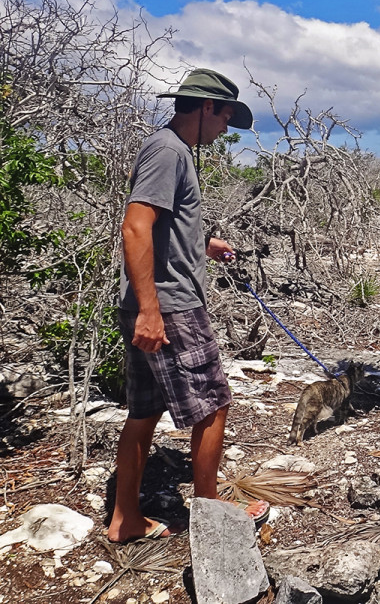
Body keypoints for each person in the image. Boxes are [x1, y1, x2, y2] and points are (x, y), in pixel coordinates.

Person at [106, 68, 267, 543]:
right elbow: (135, 228)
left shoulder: (173, 151)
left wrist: (202, 244)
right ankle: (211, 516)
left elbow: (162, 231)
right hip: (168, 307)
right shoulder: (167, 151)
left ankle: (125, 519)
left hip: (153, 303)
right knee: (214, 406)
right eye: (224, 117)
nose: (224, 128)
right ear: (205, 107)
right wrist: (151, 312)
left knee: (144, 412)